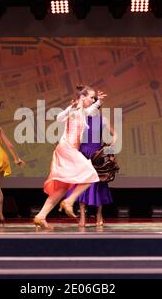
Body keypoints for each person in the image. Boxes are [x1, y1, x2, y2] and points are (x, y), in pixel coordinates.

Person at [33, 86, 107, 230]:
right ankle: (70, 201)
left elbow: (91, 110)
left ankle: (40, 216)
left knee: (62, 188)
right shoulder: (74, 110)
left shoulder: (84, 112)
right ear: (83, 97)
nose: (93, 100)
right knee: (91, 174)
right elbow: (60, 118)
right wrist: (69, 109)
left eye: (94, 98)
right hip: (66, 148)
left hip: (69, 149)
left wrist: (99, 102)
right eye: (91, 97)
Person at [66, 109, 117, 227]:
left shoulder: (102, 119)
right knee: (81, 185)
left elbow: (115, 134)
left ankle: (99, 214)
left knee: (98, 185)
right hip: (82, 153)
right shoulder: (80, 119)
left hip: (96, 154)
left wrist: (111, 149)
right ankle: (82, 216)